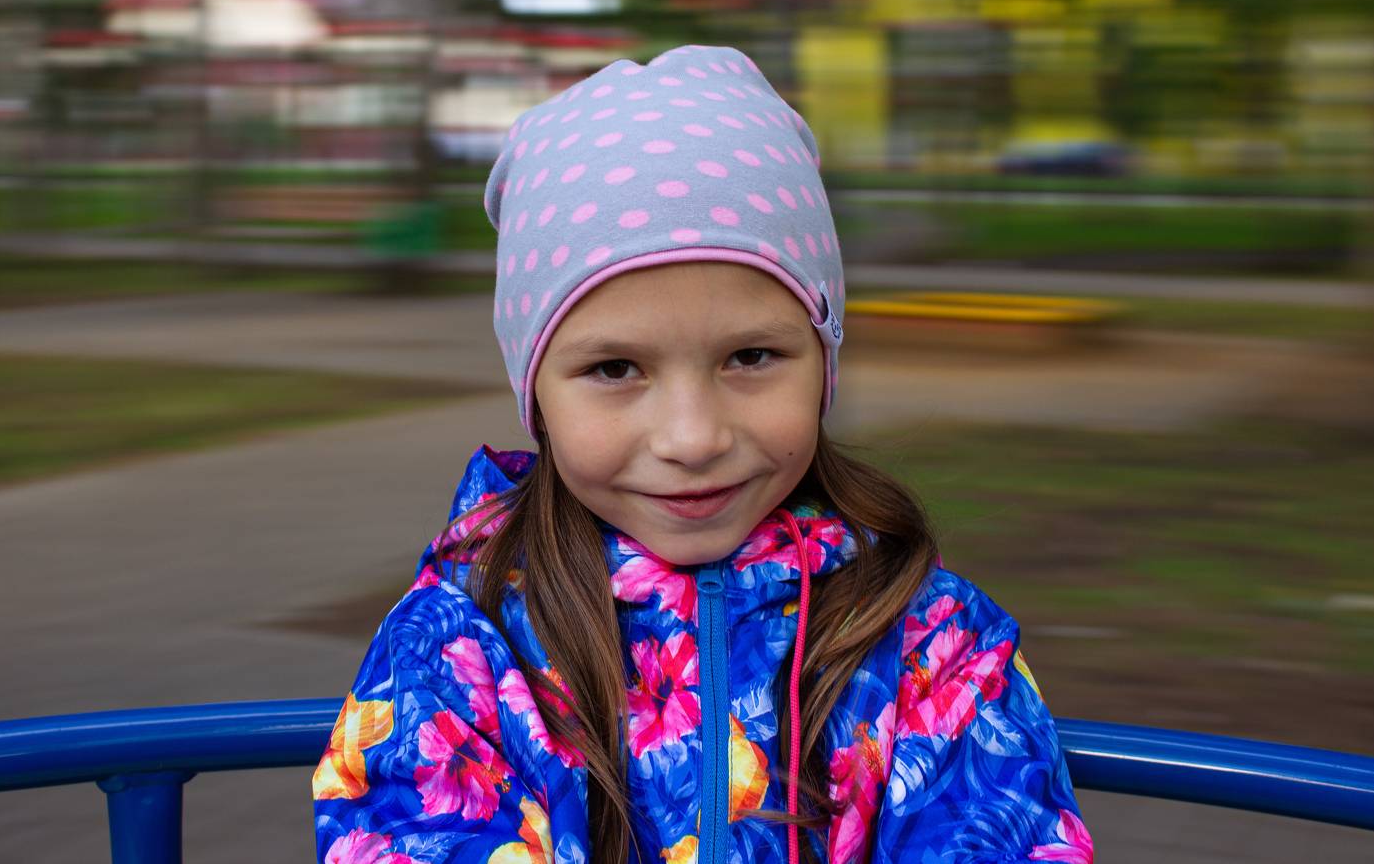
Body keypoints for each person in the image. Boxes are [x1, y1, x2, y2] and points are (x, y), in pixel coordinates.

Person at [311, 44, 1093, 864]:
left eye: (750, 356)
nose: (692, 438)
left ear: (823, 360)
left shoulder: (932, 643)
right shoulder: (459, 646)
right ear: (536, 394)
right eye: (616, 369)